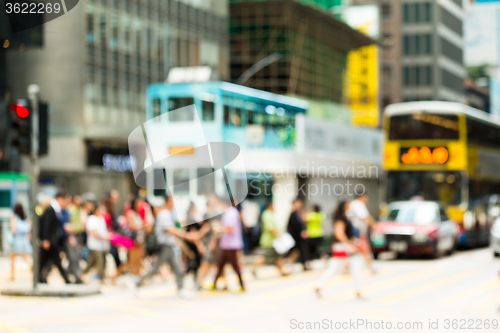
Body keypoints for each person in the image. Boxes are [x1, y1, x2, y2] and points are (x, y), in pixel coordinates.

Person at [131, 195, 193, 298]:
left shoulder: (166, 213)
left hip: (169, 245)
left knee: (176, 267)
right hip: (165, 246)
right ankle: (136, 283)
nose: (173, 204)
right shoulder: (164, 214)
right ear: (168, 202)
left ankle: (181, 288)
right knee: (157, 268)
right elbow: (170, 229)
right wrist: (186, 236)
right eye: (172, 201)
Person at [315, 199, 363, 298]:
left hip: (341, 247)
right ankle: (358, 290)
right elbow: (339, 234)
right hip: (343, 247)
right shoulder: (341, 218)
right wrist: (350, 244)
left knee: (335, 269)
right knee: (354, 266)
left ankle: (320, 285)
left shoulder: (344, 217)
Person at [211, 197, 245, 292]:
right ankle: (215, 283)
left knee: (234, 266)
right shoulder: (230, 212)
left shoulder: (231, 213)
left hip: (231, 245)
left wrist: (219, 229)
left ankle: (242, 285)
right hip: (227, 245)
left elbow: (230, 228)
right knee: (220, 265)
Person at [39, 192, 71, 284]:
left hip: (52, 240)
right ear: (60, 199)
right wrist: (45, 239)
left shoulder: (56, 209)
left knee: (45, 261)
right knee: (56, 260)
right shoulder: (51, 209)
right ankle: (66, 279)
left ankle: (39, 278)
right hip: (50, 241)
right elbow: (46, 225)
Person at [251, 202, 287, 277]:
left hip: (274, 242)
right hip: (269, 241)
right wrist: (279, 236)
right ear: (270, 206)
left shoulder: (271, 214)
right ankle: (253, 268)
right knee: (264, 257)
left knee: (278, 257)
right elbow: (270, 227)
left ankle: (282, 271)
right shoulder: (267, 214)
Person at [348, 193, 377, 274]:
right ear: (362, 197)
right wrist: (375, 225)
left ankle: (346, 268)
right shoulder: (359, 204)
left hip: (353, 232)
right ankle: (370, 268)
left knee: (353, 250)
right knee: (365, 250)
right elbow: (365, 217)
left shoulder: (353, 204)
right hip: (358, 233)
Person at [83, 201, 110, 284]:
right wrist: (102, 236)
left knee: (93, 261)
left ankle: (83, 273)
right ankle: (102, 278)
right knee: (100, 261)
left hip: (102, 244)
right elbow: (92, 232)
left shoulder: (101, 219)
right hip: (94, 244)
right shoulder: (91, 219)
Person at [10, 203, 32, 281]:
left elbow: (13, 230)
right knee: (25, 256)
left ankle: (12, 275)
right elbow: (29, 228)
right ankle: (33, 267)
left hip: (17, 239)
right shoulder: (25, 218)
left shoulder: (14, 217)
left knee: (13, 257)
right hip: (25, 240)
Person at [286, 198, 310, 271]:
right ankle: (290, 264)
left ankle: (294, 264)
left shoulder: (298, 214)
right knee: (295, 251)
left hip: (298, 238)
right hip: (295, 237)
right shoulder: (293, 214)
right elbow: (293, 227)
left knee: (297, 251)